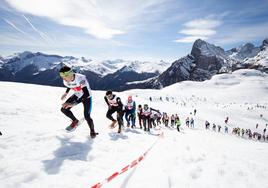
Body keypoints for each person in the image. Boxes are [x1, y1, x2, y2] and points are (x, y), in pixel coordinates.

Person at [59, 66, 98, 138]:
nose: (63, 78)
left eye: (64, 76)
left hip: (87, 97)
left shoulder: (80, 79)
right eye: (61, 76)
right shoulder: (66, 80)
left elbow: (86, 94)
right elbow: (70, 84)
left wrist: (73, 103)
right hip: (77, 94)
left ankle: (92, 131)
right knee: (64, 109)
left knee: (87, 116)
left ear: (70, 74)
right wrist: (66, 93)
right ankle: (75, 121)